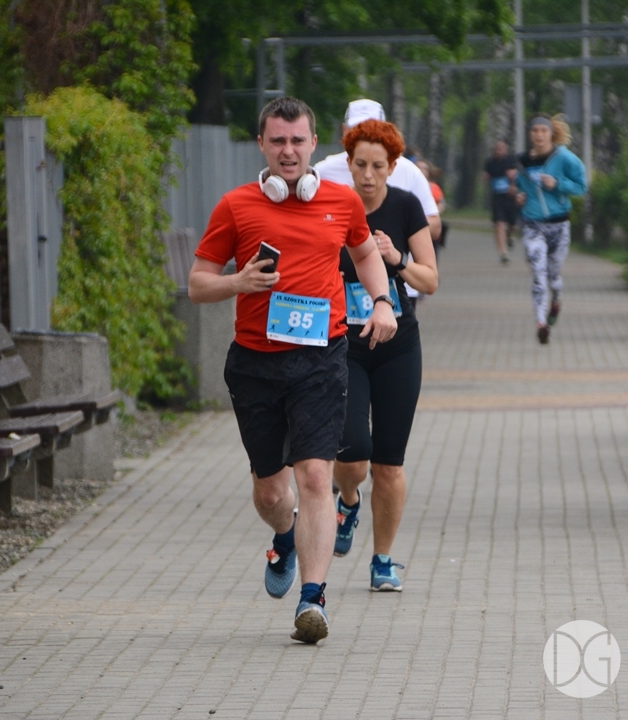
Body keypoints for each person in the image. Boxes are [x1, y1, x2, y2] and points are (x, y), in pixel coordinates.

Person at [187, 97, 397, 644]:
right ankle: (284, 536)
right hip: (255, 363)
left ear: (313, 144)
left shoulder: (341, 200)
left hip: (322, 358)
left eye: (297, 140)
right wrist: (238, 283)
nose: (288, 150)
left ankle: (313, 599)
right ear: (262, 144)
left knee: (316, 477)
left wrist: (381, 302)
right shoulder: (235, 206)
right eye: (277, 140)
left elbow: (364, 254)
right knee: (272, 494)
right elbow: (197, 284)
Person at [332, 119, 438, 592]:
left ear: (393, 167)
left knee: (389, 463)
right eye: (360, 165)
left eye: (378, 166)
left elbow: (430, 279)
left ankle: (382, 560)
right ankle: (348, 500)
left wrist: (397, 260)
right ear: (348, 164)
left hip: (398, 347)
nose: (368, 175)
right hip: (346, 346)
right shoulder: (334, 206)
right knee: (354, 452)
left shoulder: (406, 206)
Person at [315, 99, 442, 244]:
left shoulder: (409, 171)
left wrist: (395, 227)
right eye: (357, 129)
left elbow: (435, 226)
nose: (365, 134)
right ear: (344, 131)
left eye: (378, 166)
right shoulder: (324, 171)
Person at [509, 115, 587, 345]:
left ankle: (557, 299)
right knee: (538, 274)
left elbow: (581, 186)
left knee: (553, 275)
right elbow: (520, 188)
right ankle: (541, 323)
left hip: (559, 225)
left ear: (551, 133)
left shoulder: (564, 158)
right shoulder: (522, 161)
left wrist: (558, 184)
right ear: (530, 134)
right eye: (535, 131)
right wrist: (519, 196)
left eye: (544, 130)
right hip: (533, 225)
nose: (539, 135)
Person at [483, 140, 518, 264]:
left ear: (506, 150)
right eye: (497, 149)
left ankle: (509, 236)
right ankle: (503, 253)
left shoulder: (511, 161)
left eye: (502, 148)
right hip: (497, 197)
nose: (499, 151)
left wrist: (513, 181)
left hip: (510, 196)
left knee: (512, 224)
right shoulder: (490, 162)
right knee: (499, 223)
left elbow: (517, 174)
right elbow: (486, 176)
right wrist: (486, 178)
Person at [415, 159, 448, 253]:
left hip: (428, 223)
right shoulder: (408, 185)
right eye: (418, 167)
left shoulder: (433, 187)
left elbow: (441, 204)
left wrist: (432, 212)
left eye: (424, 168)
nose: (421, 170)